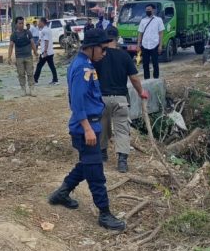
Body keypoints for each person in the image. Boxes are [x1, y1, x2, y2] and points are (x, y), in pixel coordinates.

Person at [48, 28, 126, 231]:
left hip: (93, 123)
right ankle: (105, 213)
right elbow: (77, 100)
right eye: (102, 48)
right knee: (96, 173)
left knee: (88, 164)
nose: (105, 52)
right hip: (86, 127)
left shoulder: (88, 63)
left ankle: (61, 193)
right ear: (91, 48)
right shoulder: (81, 67)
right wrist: (87, 128)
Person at [93, 27, 148, 173]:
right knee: (122, 129)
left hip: (102, 99)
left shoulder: (98, 56)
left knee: (102, 126)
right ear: (118, 38)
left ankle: (102, 154)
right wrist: (141, 92)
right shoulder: (124, 56)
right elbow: (134, 78)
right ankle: (122, 161)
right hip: (121, 99)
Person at [8, 16, 38, 96]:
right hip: (19, 57)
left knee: (30, 73)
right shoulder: (13, 35)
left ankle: (32, 89)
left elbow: (32, 43)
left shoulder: (28, 32)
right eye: (19, 23)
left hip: (28, 56)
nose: (21, 25)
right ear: (16, 24)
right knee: (21, 74)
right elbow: (11, 46)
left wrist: (35, 52)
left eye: (22, 23)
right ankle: (23, 89)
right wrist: (9, 57)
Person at [137, 4, 165, 80]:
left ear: (153, 10)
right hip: (145, 45)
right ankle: (147, 79)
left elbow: (161, 33)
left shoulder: (158, 20)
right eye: (146, 10)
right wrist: (138, 45)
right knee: (145, 64)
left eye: (149, 10)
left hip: (155, 45)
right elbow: (140, 33)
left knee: (155, 63)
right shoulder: (143, 21)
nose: (147, 11)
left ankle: (156, 79)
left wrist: (160, 45)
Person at [33, 17, 58, 85]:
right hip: (49, 52)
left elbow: (46, 41)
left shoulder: (45, 30)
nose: (38, 24)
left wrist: (45, 51)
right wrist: (38, 42)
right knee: (51, 66)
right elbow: (42, 39)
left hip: (46, 52)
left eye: (39, 22)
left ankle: (35, 80)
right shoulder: (46, 30)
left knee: (39, 65)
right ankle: (55, 80)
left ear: (42, 22)